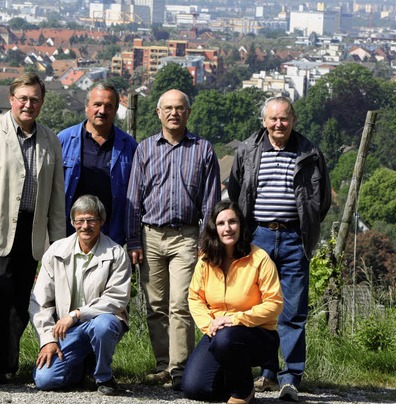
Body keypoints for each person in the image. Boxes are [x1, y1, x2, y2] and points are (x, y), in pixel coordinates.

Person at [228, 96, 331, 402]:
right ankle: (267, 371)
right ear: (264, 121)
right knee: (257, 306)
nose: (278, 124)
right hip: (258, 236)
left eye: (284, 118)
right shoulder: (247, 151)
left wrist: (305, 228)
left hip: (294, 238)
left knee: (293, 310)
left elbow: (321, 201)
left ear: (293, 120)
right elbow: (236, 191)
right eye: (273, 119)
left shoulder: (310, 153)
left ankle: (291, 377)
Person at [0, 73, 66, 384]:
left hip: (34, 231)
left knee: (22, 298)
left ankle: (10, 363)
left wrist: (58, 241)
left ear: (42, 103)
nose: (28, 104)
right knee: (1, 292)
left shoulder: (51, 139)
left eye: (34, 99)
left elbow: (57, 195)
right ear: (11, 100)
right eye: (23, 98)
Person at [125, 89, 220, 390]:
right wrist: (133, 242)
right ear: (158, 113)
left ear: (188, 113)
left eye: (179, 108)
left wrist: (207, 241)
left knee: (180, 303)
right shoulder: (145, 149)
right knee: (155, 305)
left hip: (187, 236)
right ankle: (161, 365)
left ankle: (180, 369)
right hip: (150, 234)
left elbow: (211, 201)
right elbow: (133, 198)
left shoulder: (203, 150)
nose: (173, 113)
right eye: (168, 108)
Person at [181, 200, 283, 404]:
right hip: (217, 332)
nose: (227, 228)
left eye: (232, 222)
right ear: (214, 228)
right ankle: (236, 380)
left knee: (226, 339)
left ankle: (242, 392)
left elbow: (274, 303)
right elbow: (195, 297)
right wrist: (209, 324)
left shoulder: (259, 258)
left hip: (258, 334)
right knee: (194, 388)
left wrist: (235, 319)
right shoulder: (205, 261)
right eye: (221, 223)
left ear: (241, 225)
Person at [29, 195, 131, 396]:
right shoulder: (56, 251)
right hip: (65, 330)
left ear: (101, 221)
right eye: (80, 220)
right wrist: (48, 339)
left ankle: (103, 376)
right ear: (72, 222)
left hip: (99, 322)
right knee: (44, 379)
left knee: (103, 325)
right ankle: (81, 368)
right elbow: (40, 301)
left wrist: (76, 314)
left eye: (92, 220)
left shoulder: (116, 253)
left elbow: (116, 299)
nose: (86, 226)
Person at [58, 83, 137, 245]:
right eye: (97, 105)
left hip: (111, 235)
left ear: (115, 110)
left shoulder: (129, 146)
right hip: (69, 233)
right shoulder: (64, 140)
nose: (102, 111)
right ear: (87, 107)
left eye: (108, 106)